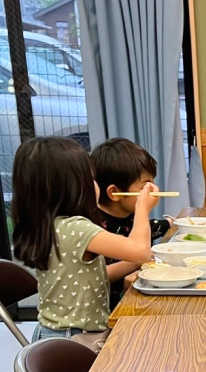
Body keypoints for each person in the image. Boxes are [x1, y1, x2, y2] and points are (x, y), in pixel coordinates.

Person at [11, 137, 157, 341]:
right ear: (73, 187)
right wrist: (142, 208)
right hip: (75, 338)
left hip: (51, 335)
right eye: (91, 179)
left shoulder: (50, 225)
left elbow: (92, 277)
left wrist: (138, 262)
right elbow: (139, 248)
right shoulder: (76, 228)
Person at [91, 137, 171, 307]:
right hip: (106, 311)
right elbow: (95, 276)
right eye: (145, 187)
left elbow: (150, 228)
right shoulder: (93, 226)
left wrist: (170, 223)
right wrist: (135, 261)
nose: (154, 191)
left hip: (134, 296)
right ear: (114, 192)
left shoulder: (129, 213)